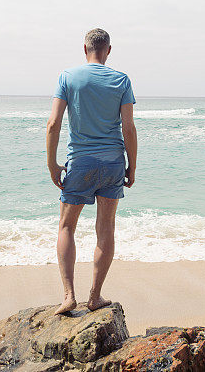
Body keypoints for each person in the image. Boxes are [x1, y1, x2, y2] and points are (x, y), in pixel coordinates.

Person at [45, 28, 137, 314]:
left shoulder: (68, 77)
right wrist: (132, 165)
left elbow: (53, 124)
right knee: (106, 228)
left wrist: (52, 163)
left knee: (66, 226)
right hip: (112, 163)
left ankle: (69, 296)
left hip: (81, 162)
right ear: (108, 50)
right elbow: (128, 127)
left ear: (84, 48)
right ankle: (95, 296)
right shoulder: (121, 79)